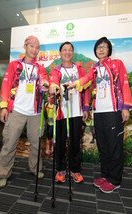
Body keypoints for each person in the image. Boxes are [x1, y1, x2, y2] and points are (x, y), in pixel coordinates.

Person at [68, 37, 132, 193]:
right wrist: (74, 84)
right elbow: (86, 79)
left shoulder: (117, 64)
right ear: (95, 51)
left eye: (104, 47)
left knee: (114, 146)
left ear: (109, 49)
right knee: (103, 145)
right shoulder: (95, 68)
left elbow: (124, 84)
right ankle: (105, 175)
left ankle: (114, 180)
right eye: (99, 47)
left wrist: (126, 107)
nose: (101, 49)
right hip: (99, 112)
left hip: (113, 111)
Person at [0, 35, 49, 188]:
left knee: (36, 143)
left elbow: (44, 80)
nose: (34, 49)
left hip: (36, 112)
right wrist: (4, 106)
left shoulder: (40, 68)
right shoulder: (15, 65)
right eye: (32, 46)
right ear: (25, 47)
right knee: (10, 143)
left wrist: (46, 84)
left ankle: (35, 168)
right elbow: (5, 85)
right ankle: (3, 174)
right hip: (17, 111)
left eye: (37, 47)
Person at [49, 41, 90, 183]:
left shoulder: (79, 69)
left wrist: (85, 107)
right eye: (64, 50)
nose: (67, 52)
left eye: (70, 50)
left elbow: (85, 89)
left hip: (76, 112)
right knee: (60, 143)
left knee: (75, 143)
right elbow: (53, 81)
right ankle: (60, 170)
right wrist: (53, 87)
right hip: (61, 113)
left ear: (72, 52)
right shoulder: (56, 70)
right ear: (60, 53)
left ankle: (75, 170)